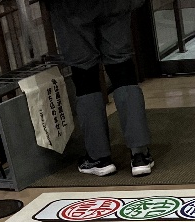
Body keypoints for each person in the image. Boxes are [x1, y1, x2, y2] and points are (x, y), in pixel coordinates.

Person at [44, 0, 154, 177]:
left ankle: (99, 157)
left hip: (70, 7)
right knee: (121, 65)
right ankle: (139, 154)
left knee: (84, 72)